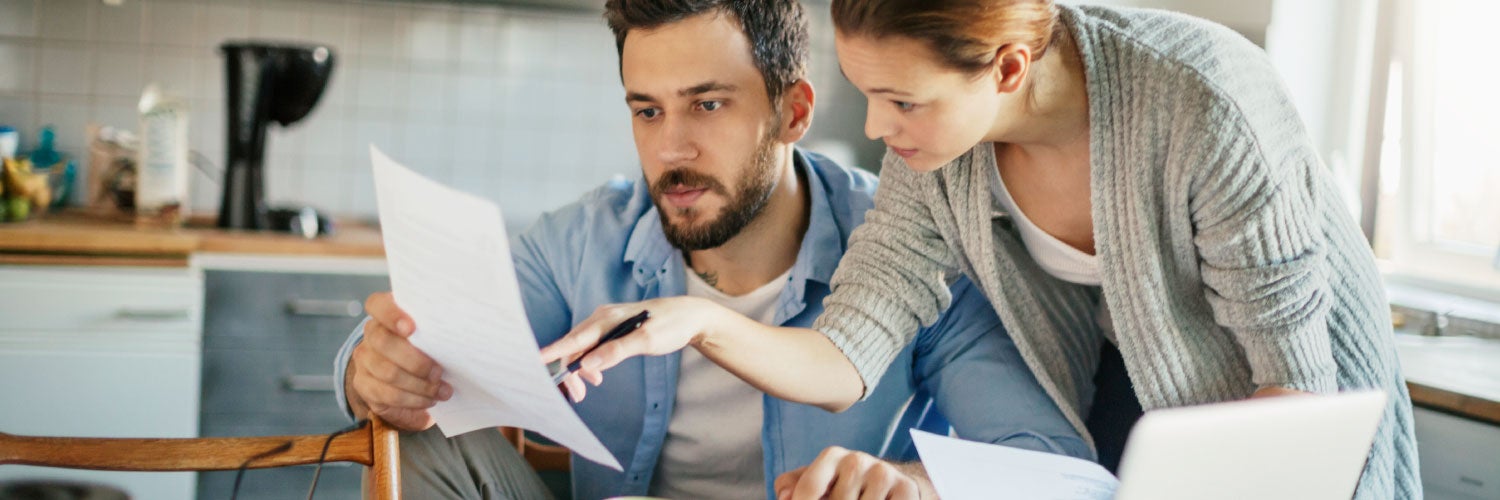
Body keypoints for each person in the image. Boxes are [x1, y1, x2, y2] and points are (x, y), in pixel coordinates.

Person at [544, 1, 1420, 499]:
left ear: (1006, 69)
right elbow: (850, 348)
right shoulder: (939, 151)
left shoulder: (1201, 102)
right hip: (1131, 412)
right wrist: (699, 323)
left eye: (902, 102)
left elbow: (1297, 393)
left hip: (1282, 423)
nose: (880, 132)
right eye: (866, 95)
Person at [335, 1, 1087, 498]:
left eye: (708, 104)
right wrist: (375, 372)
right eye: (647, 110)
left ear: (792, 112)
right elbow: (422, 356)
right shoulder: (579, 239)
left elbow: (1050, 468)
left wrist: (911, 483)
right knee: (419, 446)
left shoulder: (913, 249)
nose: (672, 148)